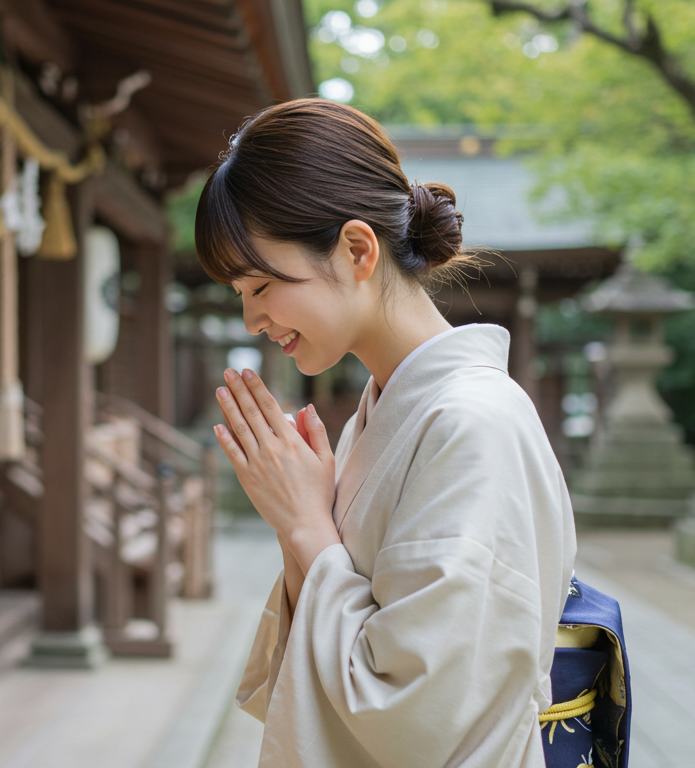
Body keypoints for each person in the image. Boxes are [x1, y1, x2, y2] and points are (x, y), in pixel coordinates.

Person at [195, 98, 576, 768]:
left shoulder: (473, 425)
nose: (254, 318)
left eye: (260, 285)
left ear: (355, 250)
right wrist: (298, 524)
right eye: (240, 294)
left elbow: (418, 711)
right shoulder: (391, 413)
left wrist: (306, 526)